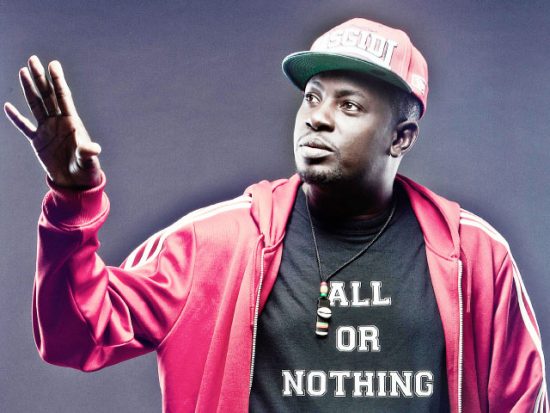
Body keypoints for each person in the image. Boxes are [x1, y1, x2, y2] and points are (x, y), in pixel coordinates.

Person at [4, 17, 547, 413]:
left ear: (401, 137)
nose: (318, 119)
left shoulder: (474, 256)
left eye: (349, 106)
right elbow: (75, 335)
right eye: (312, 97)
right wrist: (72, 199)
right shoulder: (214, 244)